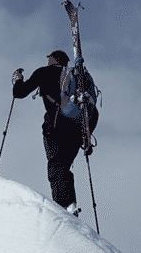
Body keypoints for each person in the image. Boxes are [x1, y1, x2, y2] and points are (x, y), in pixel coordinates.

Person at [13, 50, 96, 212]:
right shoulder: (76, 78)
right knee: (63, 165)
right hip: (77, 130)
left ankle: (64, 206)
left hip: (56, 125)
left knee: (56, 164)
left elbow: (19, 93)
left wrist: (17, 80)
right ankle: (69, 203)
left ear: (52, 60)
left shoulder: (44, 72)